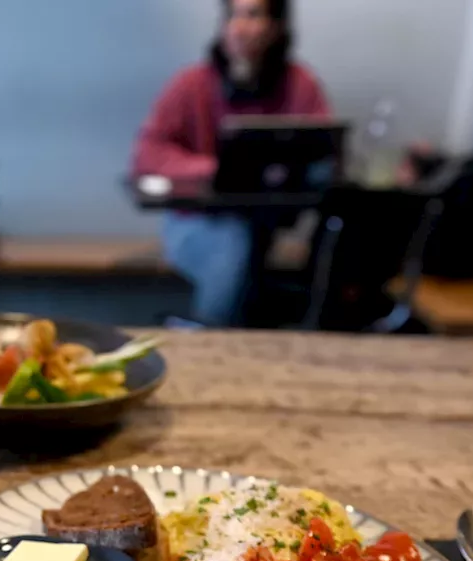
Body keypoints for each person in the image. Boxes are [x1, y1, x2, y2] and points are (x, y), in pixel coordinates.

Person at [134, 0, 330, 326]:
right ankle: (210, 340)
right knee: (232, 241)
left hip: (269, 226)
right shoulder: (191, 84)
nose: (239, 27)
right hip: (196, 222)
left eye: (252, 15)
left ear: (276, 26)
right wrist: (215, 168)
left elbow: (324, 149)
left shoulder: (300, 85)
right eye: (232, 16)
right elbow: (146, 155)